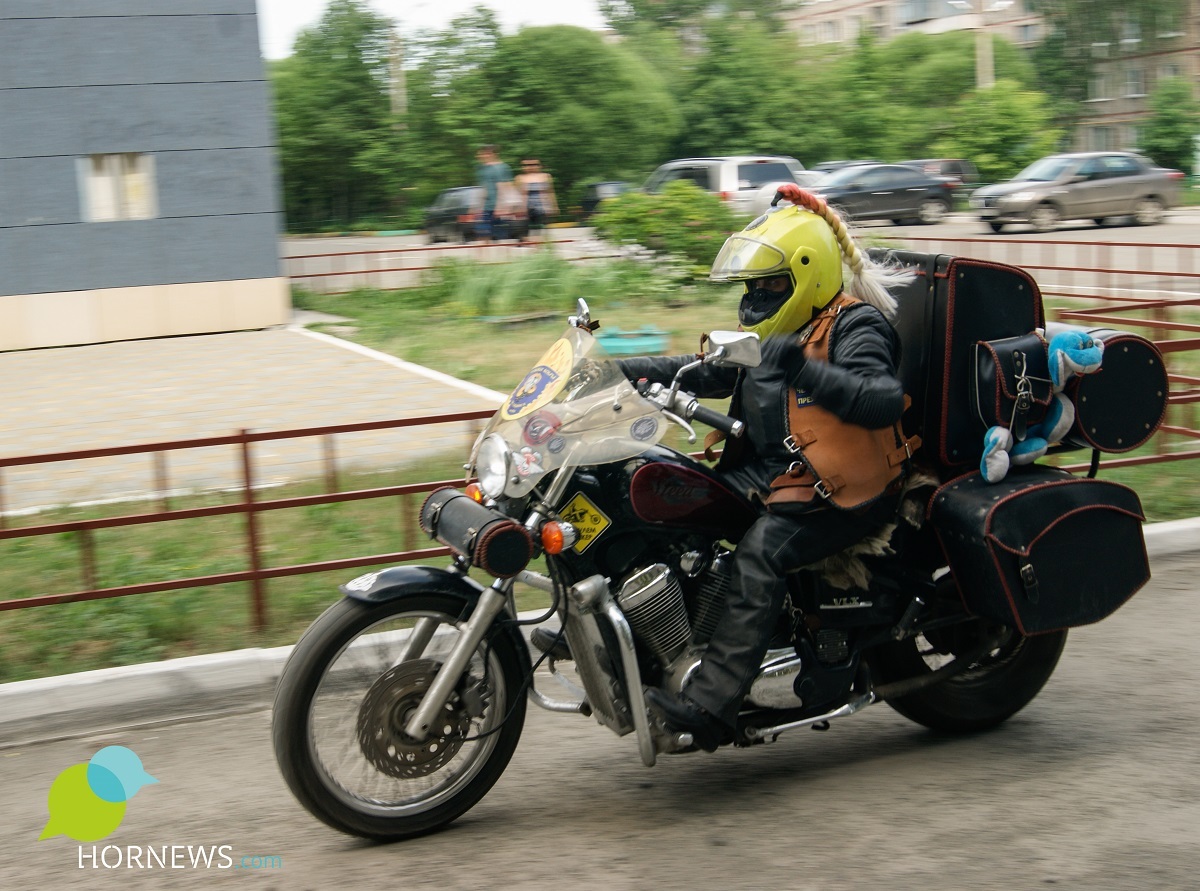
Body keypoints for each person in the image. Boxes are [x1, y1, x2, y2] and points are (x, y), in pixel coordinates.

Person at [617, 184, 918, 751]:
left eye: (772, 285)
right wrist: (616, 372)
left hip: (840, 485)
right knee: (667, 512)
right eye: (754, 286)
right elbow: (699, 368)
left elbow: (880, 399)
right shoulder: (777, 330)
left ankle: (711, 706)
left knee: (759, 556)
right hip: (774, 476)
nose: (758, 297)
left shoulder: (856, 326)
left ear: (809, 273)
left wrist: (803, 369)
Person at [475, 144, 513, 242]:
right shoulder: (482, 168)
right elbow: (483, 188)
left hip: (498, 208)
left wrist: (500, 207)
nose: (480, 156)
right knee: (483, 236)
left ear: (491, 154)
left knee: (501, 238)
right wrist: (478, 207)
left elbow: (504, 187)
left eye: (483, 154)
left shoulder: (501, 167)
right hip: (486, 208)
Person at [515, 159, 559, 243]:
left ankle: (537, 248)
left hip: (542, 207)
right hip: (525, 208)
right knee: (524, 232)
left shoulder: (545, 176)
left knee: (539, 229)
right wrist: (517, 209)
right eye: (526, 165)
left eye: (533, 164)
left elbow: (550, 191)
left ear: (539, 165)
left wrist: (554, 206)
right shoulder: (519, 178)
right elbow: (517, 194)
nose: (530, 167)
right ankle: (527, 245)